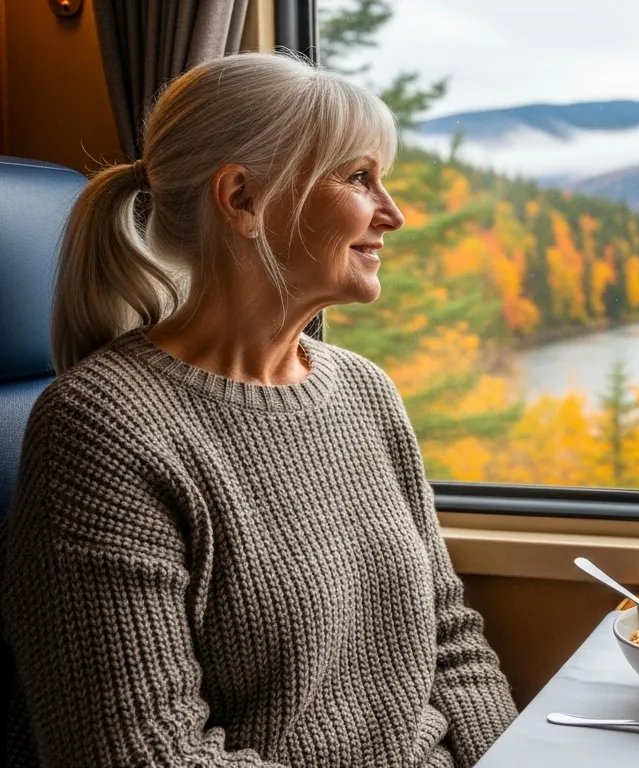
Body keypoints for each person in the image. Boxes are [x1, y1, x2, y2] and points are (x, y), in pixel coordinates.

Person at [0, 52, 517, 766]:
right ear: (243, 198)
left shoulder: (366, 390)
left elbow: (450, 640)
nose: (392, 214)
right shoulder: (102, 429)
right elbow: (146, 755)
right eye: (359, 178)